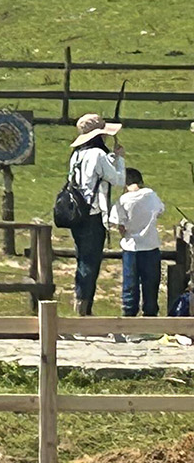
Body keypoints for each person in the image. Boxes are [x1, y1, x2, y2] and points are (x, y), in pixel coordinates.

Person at [66, 112, 126, 316]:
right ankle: (84, 310)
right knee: (90, 263)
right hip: (93, 215)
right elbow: (117, 180)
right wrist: (120, 160)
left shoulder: (77, 155)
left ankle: (80, 303)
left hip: (77, 214)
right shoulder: (98, 155)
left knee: (82, 260)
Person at [109, 166, 164, 321]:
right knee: (151, 284)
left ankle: (129, 318)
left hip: (131, 246)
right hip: (151, 245)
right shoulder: (151, 195)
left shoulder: (123, 200)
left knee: (130, 285)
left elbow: (119, 224)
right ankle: (151, 316)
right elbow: (160, 210)